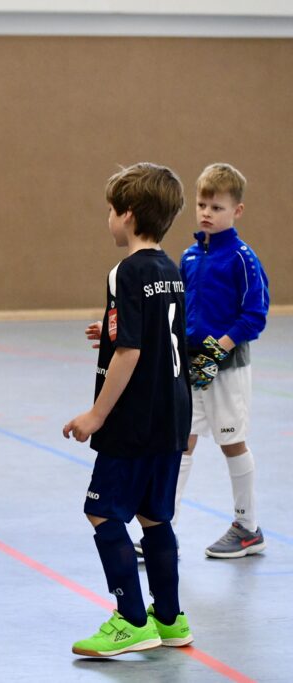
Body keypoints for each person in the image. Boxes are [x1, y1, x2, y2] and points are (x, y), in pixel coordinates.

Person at [63, 162, 193, 657]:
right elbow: (161, 333)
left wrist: (96, 415)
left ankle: (132, 620)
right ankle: (170, 619)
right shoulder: (170, 269)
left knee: (101, 510)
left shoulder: (126, 271)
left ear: (129, 214)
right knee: (154, 515)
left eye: (111, 211)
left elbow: (131, 352)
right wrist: (112, 332)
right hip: (172, 413)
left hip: (134, 418)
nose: (109, 219)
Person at [176, 163, 269, 559]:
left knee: (232, 442)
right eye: (202, 205)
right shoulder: (189, 257)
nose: (206, 213)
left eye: (216, 207)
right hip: (191, 368)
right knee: (181, 443)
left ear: (237, 211)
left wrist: (216, 353)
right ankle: (163, 526)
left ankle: (247, 528)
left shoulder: (243, 259)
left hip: (227, 368)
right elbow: (179, 312)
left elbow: (255, 316)